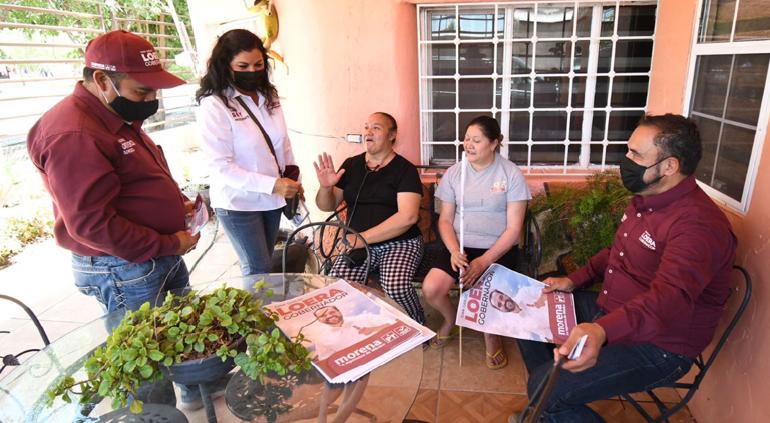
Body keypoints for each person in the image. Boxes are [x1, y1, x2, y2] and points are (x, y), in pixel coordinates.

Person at [511, 114, 736, 423]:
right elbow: (616, 251)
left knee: (545, 389)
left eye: (636, 154)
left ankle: (547, 402)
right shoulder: (647, 198)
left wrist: (602, 330)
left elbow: (667, 300)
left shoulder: (697, 225)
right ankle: (549, 407)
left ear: (669, 166)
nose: (626, 160)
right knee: (528, 311)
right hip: (614, 309)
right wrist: (573, 280)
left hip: (661, 345)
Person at [26, 30, 205, 409]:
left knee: (181, 334)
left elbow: (133, 179)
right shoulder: (74, 133)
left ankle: (194, 392)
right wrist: (168, 243)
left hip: (154, 255)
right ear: (102, 80)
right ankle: (157, 416)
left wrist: (177, 205)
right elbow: (91, 224)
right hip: (125, 266)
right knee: (146, 362)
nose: (151, 100)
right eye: (142, 92)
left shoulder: (109, 114)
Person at [421, 115, 531, 370]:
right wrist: (453, 251)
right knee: (432, 288)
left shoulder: (511, 174)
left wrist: (484, 261)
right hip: (459, 246)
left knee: (491, 295)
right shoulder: (455, 173)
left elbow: (514, 229)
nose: (468, 145)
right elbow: (445, 220)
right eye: (466, 139)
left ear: (494, 143)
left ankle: (491, 335)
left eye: (476, 140)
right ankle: (451, 319)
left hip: (498, 248)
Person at [196, 29, 301, 277]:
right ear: (226, 65)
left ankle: (265, 302)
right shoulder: (215, 104)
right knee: (257, 269)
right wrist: (272, 184)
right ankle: (258, 304)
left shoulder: (269, 95)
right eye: (243, 66)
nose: (252, 71)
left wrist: (294, 179)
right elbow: (220, 166)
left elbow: (282, 144)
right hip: (238, 202)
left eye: (258, 65)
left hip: (272, 199)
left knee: (266, 266)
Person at [313, 112, 426, 323]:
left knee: (395, 286)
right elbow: (326, 205)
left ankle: (417, 325)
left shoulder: (405, 170)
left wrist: (362, 238)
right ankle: (360, 329)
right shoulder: (351, 165)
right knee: (339, 286)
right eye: (366, 127)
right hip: (359, 244)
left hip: (400, 243)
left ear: (392, 135)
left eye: (376, 127)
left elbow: (408, 217)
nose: (368, 132)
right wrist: (326, 188)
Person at [301, 305, 396, 360]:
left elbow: (394, 324)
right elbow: (326, 359)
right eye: (323, 315)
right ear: (319, 320)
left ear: (339, 311)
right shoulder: (321, 339)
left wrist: (374, 329)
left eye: (332, 312)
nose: (329, 316)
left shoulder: (364, 318)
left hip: (388, 354)